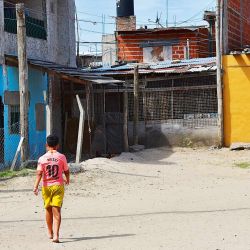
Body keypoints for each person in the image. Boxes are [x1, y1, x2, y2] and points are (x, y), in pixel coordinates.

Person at [33, 135, 70, 243]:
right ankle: (56, 236)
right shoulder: (62, 157)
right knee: (57, 210)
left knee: (48, 209)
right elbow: (66, 171)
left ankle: (50, 232)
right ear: (57, 145)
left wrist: (35, 186)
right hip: (58, 186)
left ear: (46, 145)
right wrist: (67, 179)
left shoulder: (42, 158)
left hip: (46, 187)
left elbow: (39, 173)